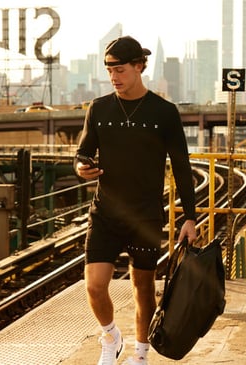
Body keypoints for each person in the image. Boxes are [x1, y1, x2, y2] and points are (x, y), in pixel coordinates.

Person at [75, 35, 197, 365]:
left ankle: (141, 356)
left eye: (120, 69)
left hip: (145, 216)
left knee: (143, 287)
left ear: (139, 67)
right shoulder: (98, 109)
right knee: (95, 286)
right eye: (109, 70)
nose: (114, 76)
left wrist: (190, 217)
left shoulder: (164, 112)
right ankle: (112, 337)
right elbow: (83, 152)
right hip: (105, 214)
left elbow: (182, 167)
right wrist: (81, 167)